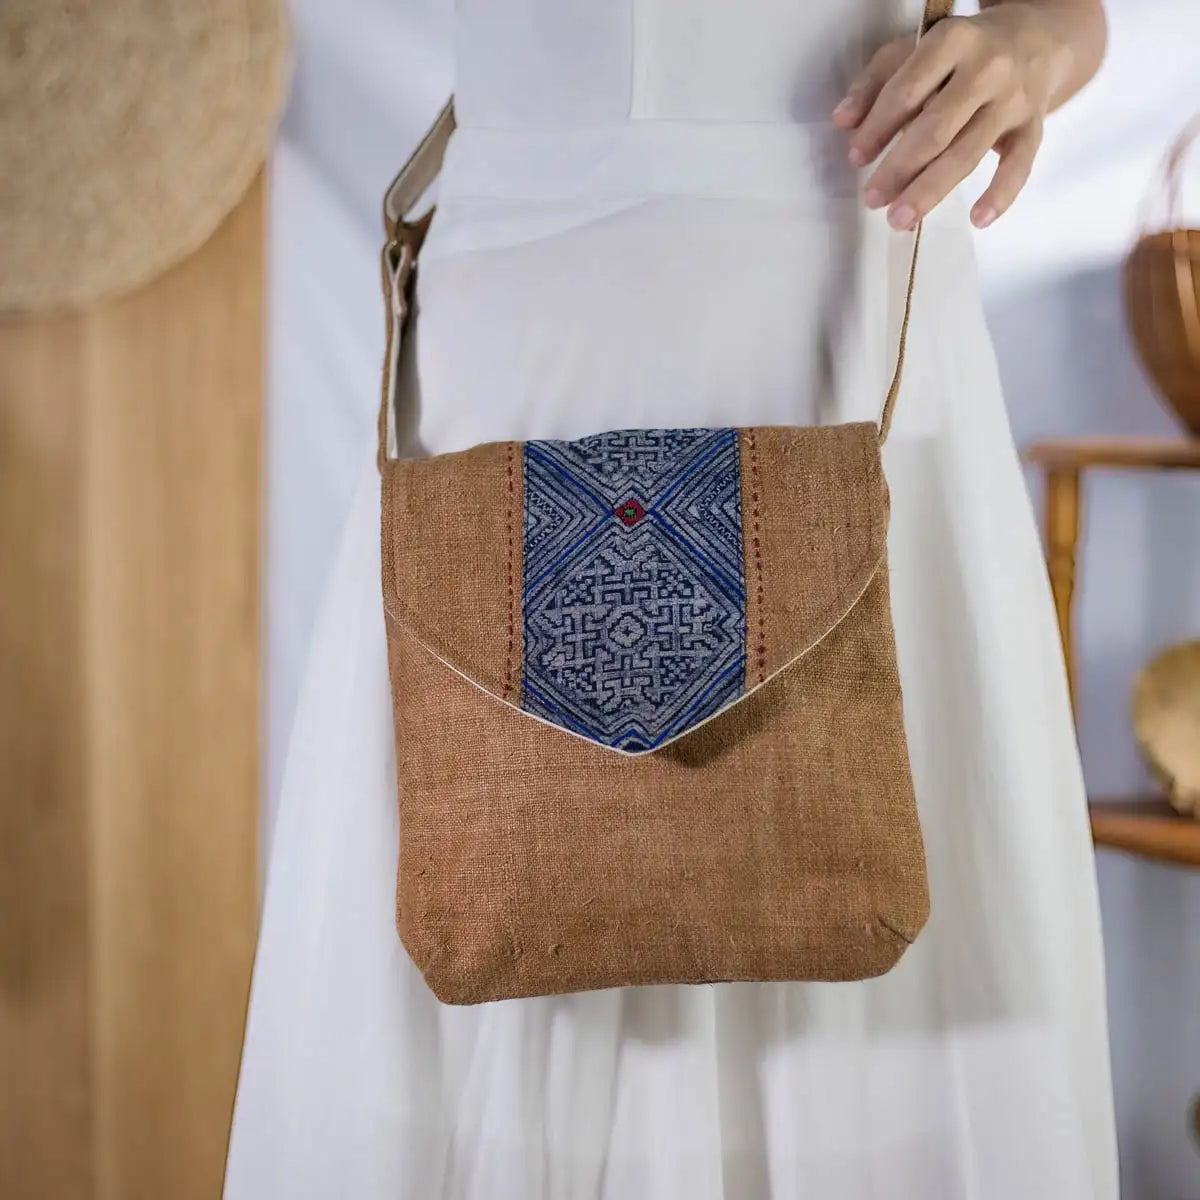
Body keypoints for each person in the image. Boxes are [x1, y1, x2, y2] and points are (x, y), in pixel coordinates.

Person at [225, 1, 1118, 1196]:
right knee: (497, 868)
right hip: (519, 317)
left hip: (854, 278)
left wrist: (1037, 48)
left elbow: (1070, 15)